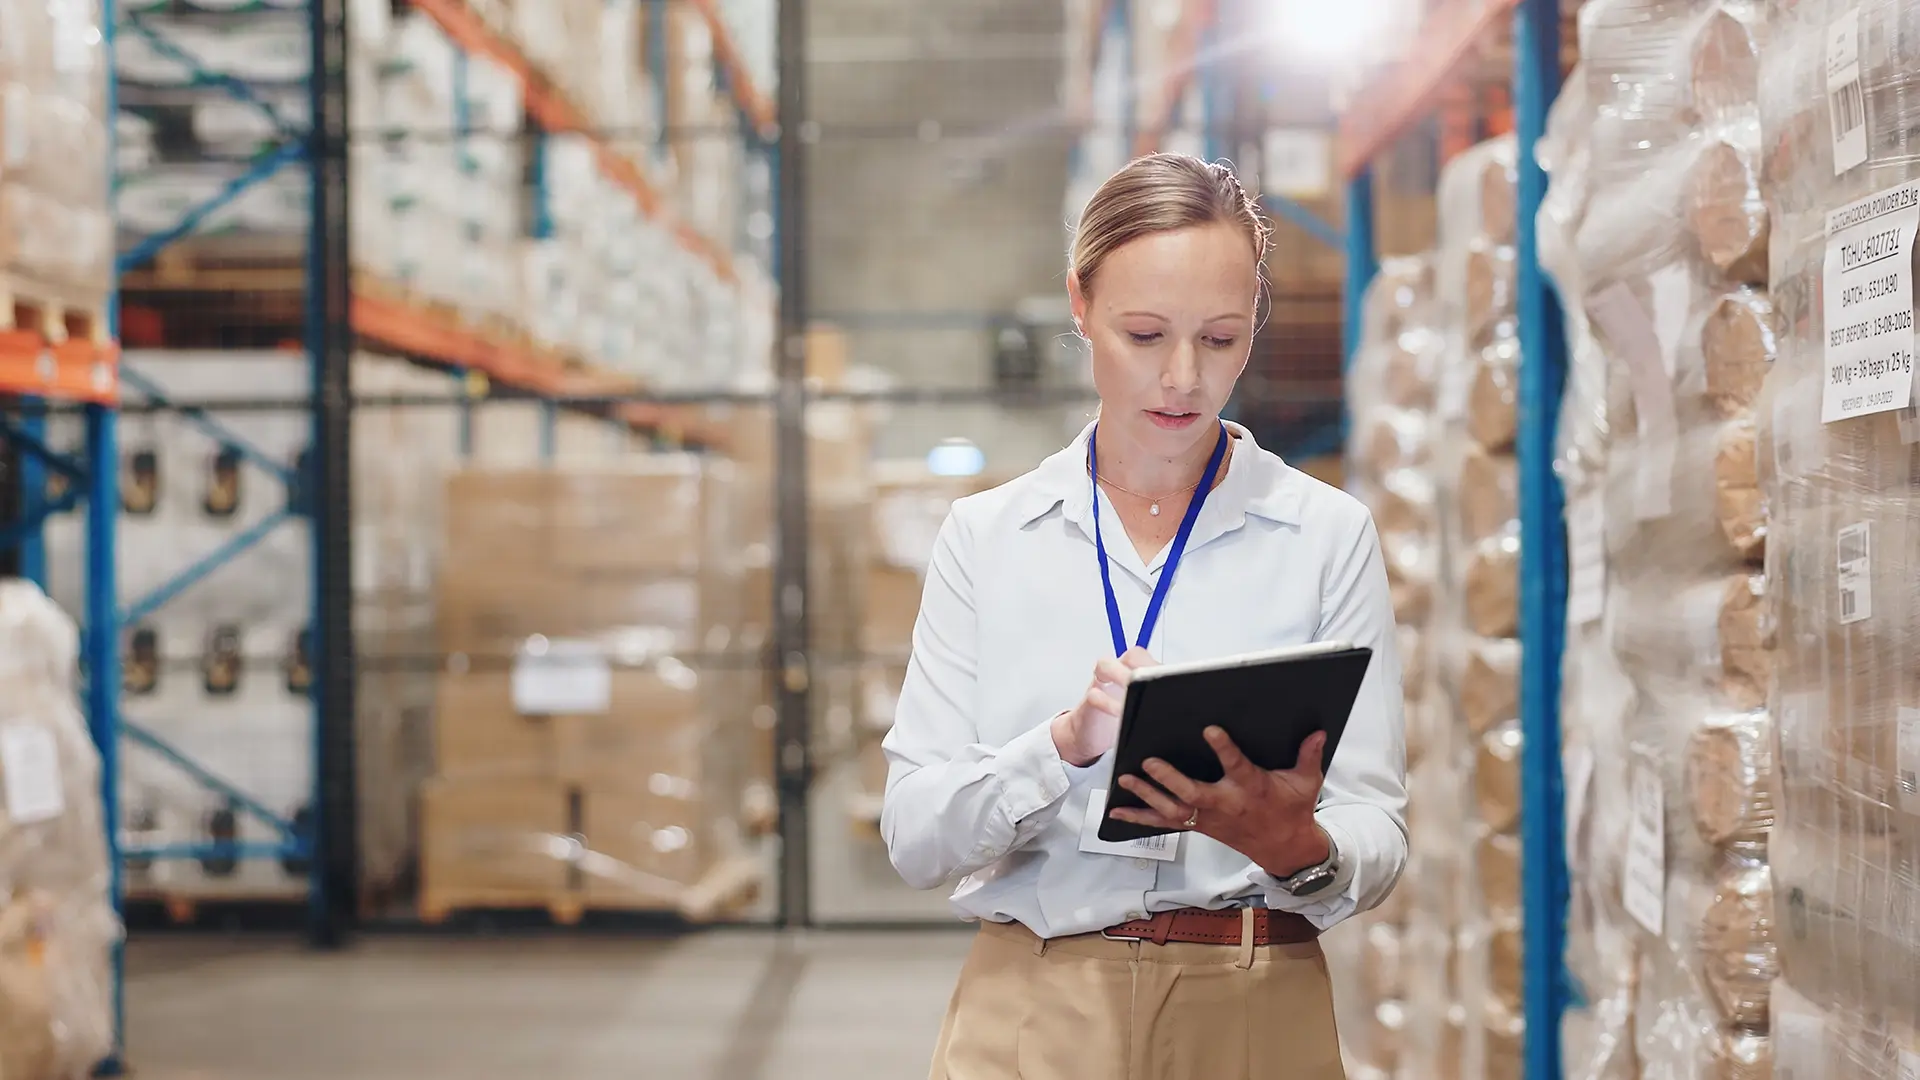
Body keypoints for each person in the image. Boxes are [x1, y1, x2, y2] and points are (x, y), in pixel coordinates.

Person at [877, 153, 1408, 1080]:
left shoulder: (1324, 534)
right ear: (1079, 305)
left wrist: (1301, 849)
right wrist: (1060, 746)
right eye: (1145, 333)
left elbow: (1379, 831)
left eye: (1219, 340)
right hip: (1034, 1003)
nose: (1182, 378)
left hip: (1253, 997)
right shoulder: (990, 538)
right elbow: (917, 838)